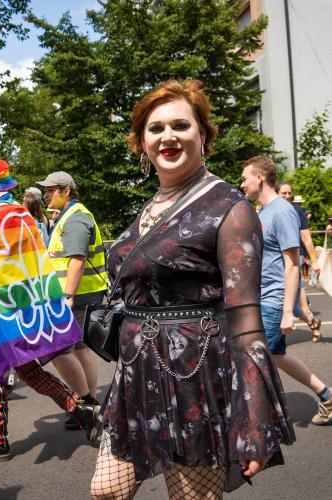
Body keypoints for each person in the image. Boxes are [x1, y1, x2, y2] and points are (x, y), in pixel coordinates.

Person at [90, 81, 295, 500]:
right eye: (155, 128)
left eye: (180, 125)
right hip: (136, 373)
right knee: (106, 491)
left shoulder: (229, 207)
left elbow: (246, 322)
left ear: (203, 134)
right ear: (142, 142)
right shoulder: (155, 203)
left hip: (193, 377)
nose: (167, 136)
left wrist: (255, 419)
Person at [0, 159, 99, 463]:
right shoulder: (21, 212)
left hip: (1, 307)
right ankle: (81, 410)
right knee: (26, 368)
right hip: (24, 302)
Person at [241, 156, 332, 426]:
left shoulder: (282, 212)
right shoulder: (263, 211)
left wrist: (287, 312)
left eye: (245, 178)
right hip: (262, 297)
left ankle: (256, 420)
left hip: (274, 298)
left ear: (260, 177)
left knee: (257, 356)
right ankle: (327, 397)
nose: (242, 183)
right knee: (276, 354)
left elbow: (292, 265)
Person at [36, 172, 108, 430]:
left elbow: (77, 259)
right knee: (79, 349)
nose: (45, 195)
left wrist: (68, 297)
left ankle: (86, 405)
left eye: (50, 190)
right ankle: (89, 403)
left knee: (57, 349)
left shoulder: (75, 217)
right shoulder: (70, 215)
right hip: (81, 293)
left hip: (76, 295)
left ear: (66, 190)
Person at [276, 183, 322, 341]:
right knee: (292, 307)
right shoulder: (269, 209)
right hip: (275, 261)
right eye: (284, 193)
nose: (287, 196)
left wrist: (314, 261)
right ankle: (312, 322)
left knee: (291, 300)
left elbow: (306, 238)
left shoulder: (297, 211)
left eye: (289, 193)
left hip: (294, 259)